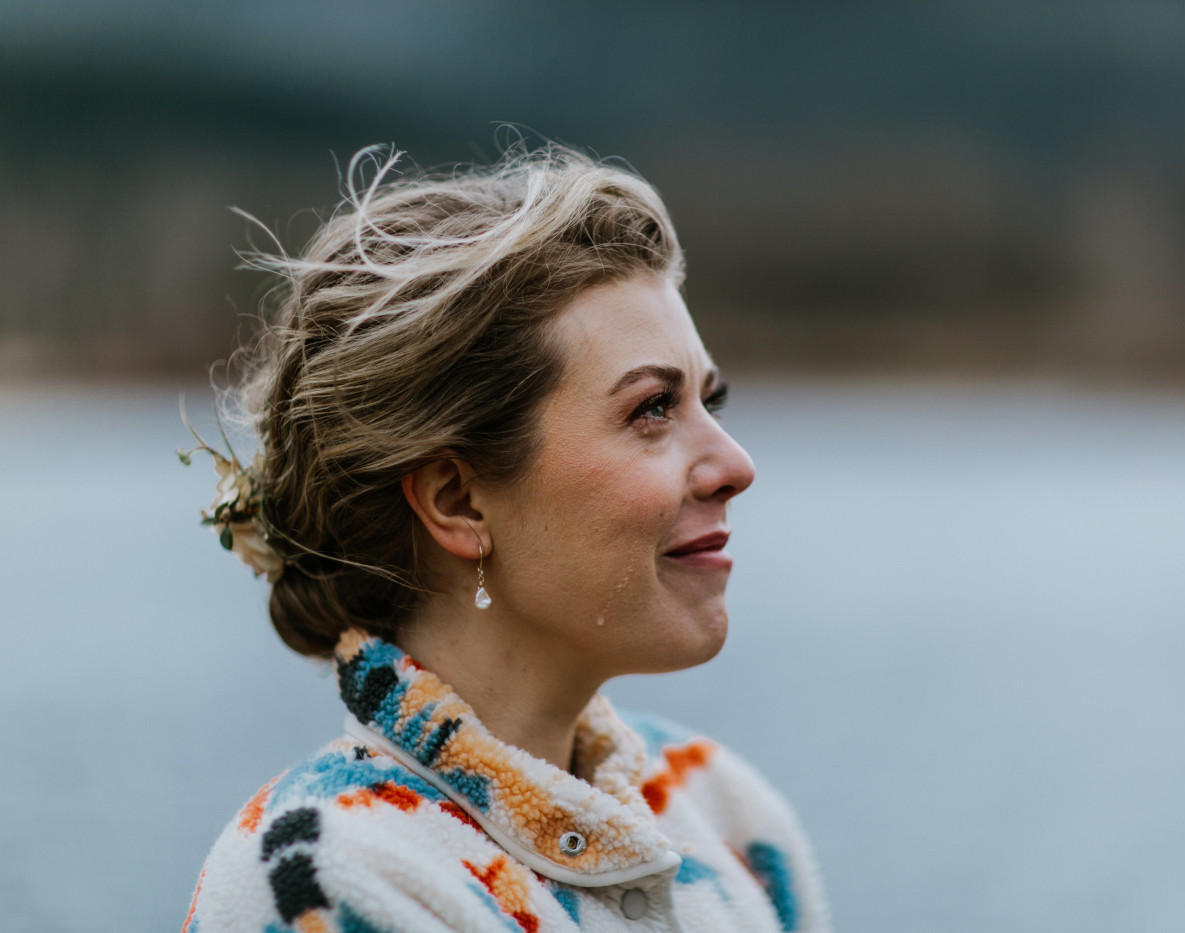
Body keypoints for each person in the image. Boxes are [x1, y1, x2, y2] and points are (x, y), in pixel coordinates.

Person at [181, 146, 830, 933]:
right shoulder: (332, 872)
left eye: (709, 401)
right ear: (458, 501)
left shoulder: (725, 812)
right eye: (653, 408)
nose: (736, 465)